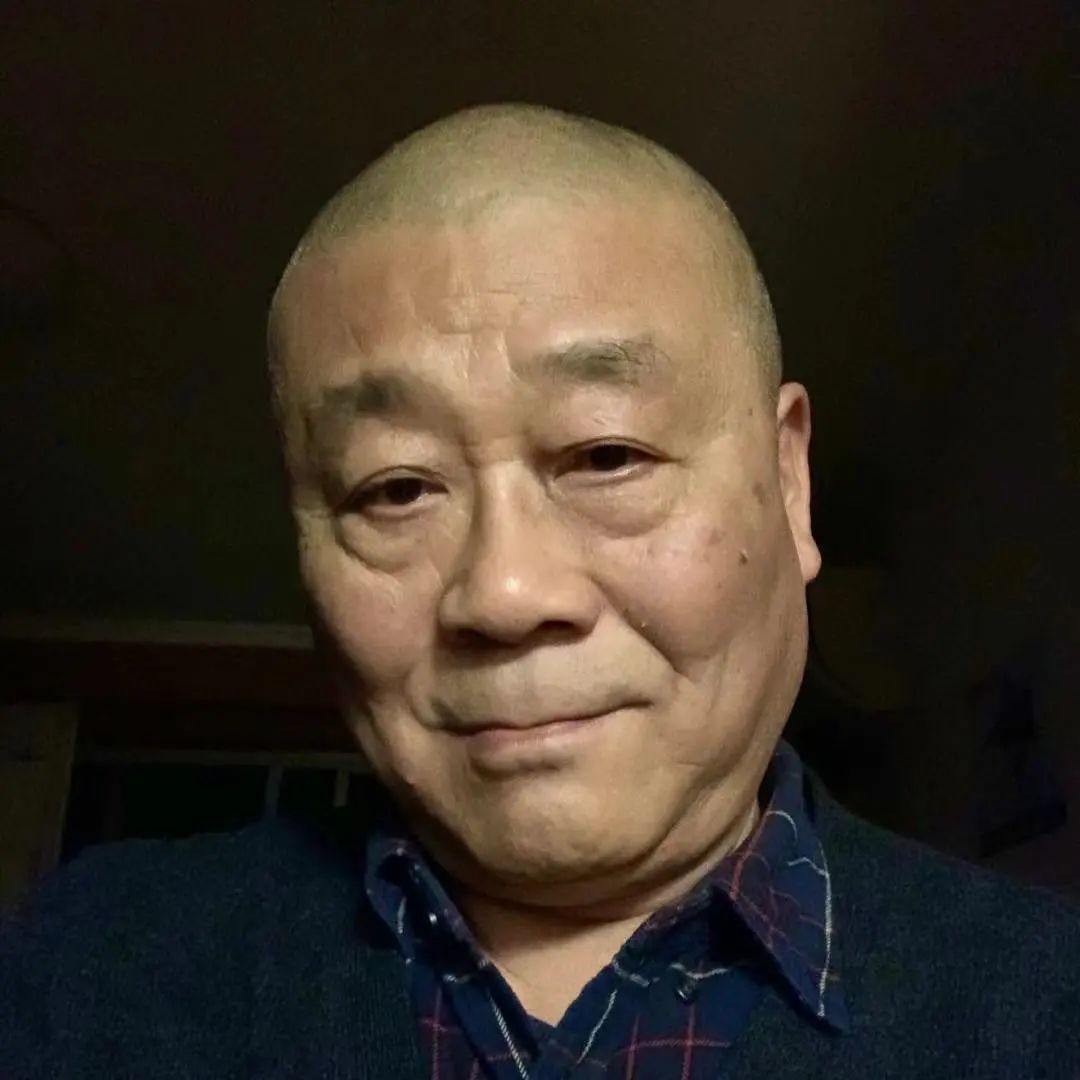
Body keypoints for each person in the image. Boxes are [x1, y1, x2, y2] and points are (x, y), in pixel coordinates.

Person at [2, 103, 1078, 1078]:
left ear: (788, 482)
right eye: (396, 488)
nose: (506, 593)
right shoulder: (90, 974)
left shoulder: (1046, 1008)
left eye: (607, 456)